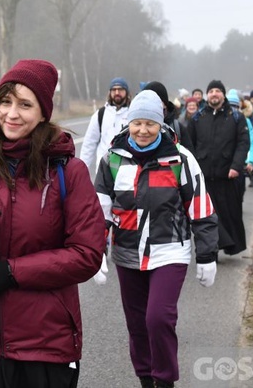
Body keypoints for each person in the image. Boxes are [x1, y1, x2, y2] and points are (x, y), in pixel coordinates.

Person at [0, 59, 105, 388]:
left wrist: (13, 272)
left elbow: (86, 254)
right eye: (6, 101)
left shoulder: (67, 172)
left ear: (43, 112)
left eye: (25, 105)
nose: (11, 114)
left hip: (44, 342)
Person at [92, 90, 218, 388]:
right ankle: (146, 379)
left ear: (161, 124)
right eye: (137, 123)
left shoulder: (180, 159)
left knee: (158, 319)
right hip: (127, 252)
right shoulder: (112, 159)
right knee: (137, 325)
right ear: (129, 124)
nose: (143, 130)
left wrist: (208, 254)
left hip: (169, 251)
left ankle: (164, 381)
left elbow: (200, 206)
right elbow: (100, 210)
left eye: (150, 123)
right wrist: (97, 249)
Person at [187, 80, 250, 256]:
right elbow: (189, 145)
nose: (214, 94)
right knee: (208, 216)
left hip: (228, 176)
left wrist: (236, 166)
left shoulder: (236, 117)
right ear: (207, 95)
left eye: (218, 91)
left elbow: (243, 144)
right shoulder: (198, 118)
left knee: (229, 216)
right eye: (211, 91)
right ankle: (211, 249)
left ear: (223, 95)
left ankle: (228, 244)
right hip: (204, 177)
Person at [80, 77, 132, 177]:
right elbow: (89, 143)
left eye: (120, 89)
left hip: (126, 171)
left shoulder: (133, 114)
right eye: (114, 90)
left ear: (126, 92)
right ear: (110, 92)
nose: (117, 92)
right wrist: (82, 170)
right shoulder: (100, 114)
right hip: (103, 170)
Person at [141, 81, 194, 153]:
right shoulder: (134, 127)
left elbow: (189, 158)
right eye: (147, 100)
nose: (152, 104)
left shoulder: (177, 128)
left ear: (165, 104)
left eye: (157, 100)